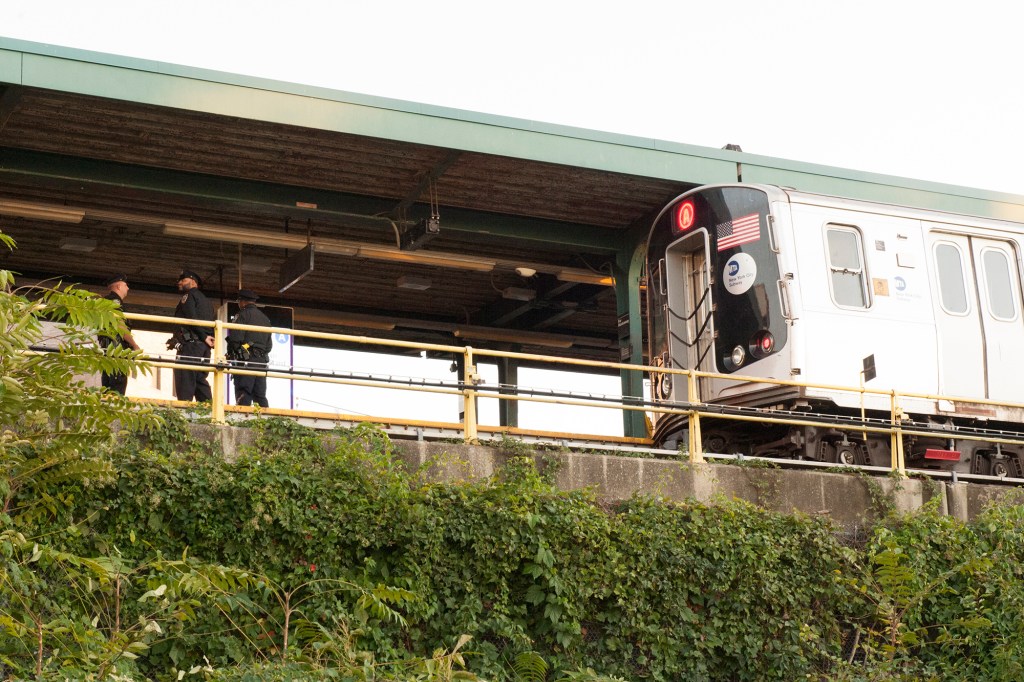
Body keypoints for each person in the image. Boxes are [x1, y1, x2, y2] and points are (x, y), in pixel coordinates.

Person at [168, 269, 215, 402]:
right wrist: (206, 338)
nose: (179, 283)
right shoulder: (207, 301)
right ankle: (208, 411)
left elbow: (191, 318)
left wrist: (203, 336)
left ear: (193, 282)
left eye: (183, 280)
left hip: (191, 345)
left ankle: (183, 414)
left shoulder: (189, 296)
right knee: (200, 380)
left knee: (185, 378)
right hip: (204, 348)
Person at [226, 289, 273, 408]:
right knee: (260, 395)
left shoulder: (242, 315)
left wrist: (233, 354)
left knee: (243, 391)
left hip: (246, 359)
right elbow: (269, 346)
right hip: (261, 361)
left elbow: (235, 339)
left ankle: (242, 419)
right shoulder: (265, 319)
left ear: (242, 302)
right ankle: (264, 421)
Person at [98, 274, 141, 395]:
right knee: (117, 389)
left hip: (108, 351)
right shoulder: (114, 301)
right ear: (118, 286)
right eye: (126, 285)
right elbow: (120, 326)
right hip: (117, 350)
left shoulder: (105, 301)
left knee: (107, 388)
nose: (128, 288)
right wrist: (134, 345)